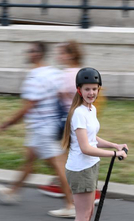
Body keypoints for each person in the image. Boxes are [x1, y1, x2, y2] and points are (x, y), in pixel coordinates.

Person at [0, 41, 75, 218]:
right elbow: (64, 95)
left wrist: (7, 124)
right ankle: (12, 192)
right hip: (45, 126)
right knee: (29, 161)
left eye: (31, 51)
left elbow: (27, 107)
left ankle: (71, 205)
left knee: (58, 167)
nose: (27, 53)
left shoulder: (34, 77)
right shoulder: (54, 72)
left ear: (38, 54)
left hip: (43, 128)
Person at [62, 67, 128, 221]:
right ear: (79, 90)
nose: (91, 92)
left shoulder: (91, 110)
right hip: (80, 169)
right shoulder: (79, 113)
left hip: (90, 167)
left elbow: (92, 139)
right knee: (82, 216)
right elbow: (85, 147)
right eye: (87, 89)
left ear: (99, 89)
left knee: (88, 213)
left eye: (94, 88)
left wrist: (114, 145)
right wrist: (114, 154)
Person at [37, 41, 101, 205]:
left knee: (62, 156)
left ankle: (84, 193)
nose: (58, 56)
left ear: (71, 55)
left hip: (68, 120)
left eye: (62, 53)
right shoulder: (80, 72)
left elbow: (58, 94)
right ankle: (66, 185)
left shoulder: (67, 74)